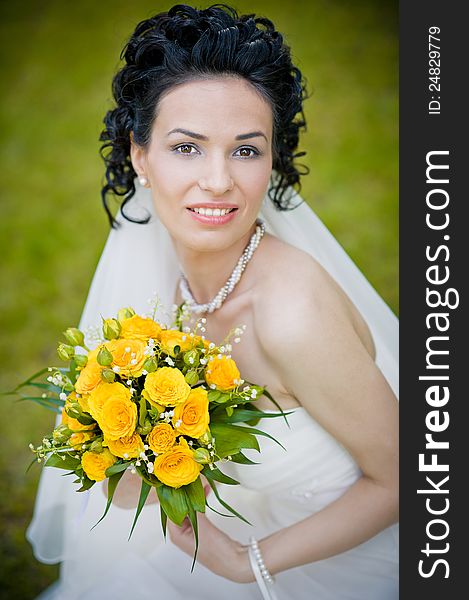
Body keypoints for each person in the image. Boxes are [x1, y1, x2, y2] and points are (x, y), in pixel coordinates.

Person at [27, 4, 399, 599]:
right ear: (141, 156)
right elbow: (131, 490)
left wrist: (247, 562)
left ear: (272, 159)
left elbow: (413, 480)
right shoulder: (154, 289)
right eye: (187, 147)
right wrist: (126, 450)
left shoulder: (292, 314)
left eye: (246, 150)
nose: (220, 180)